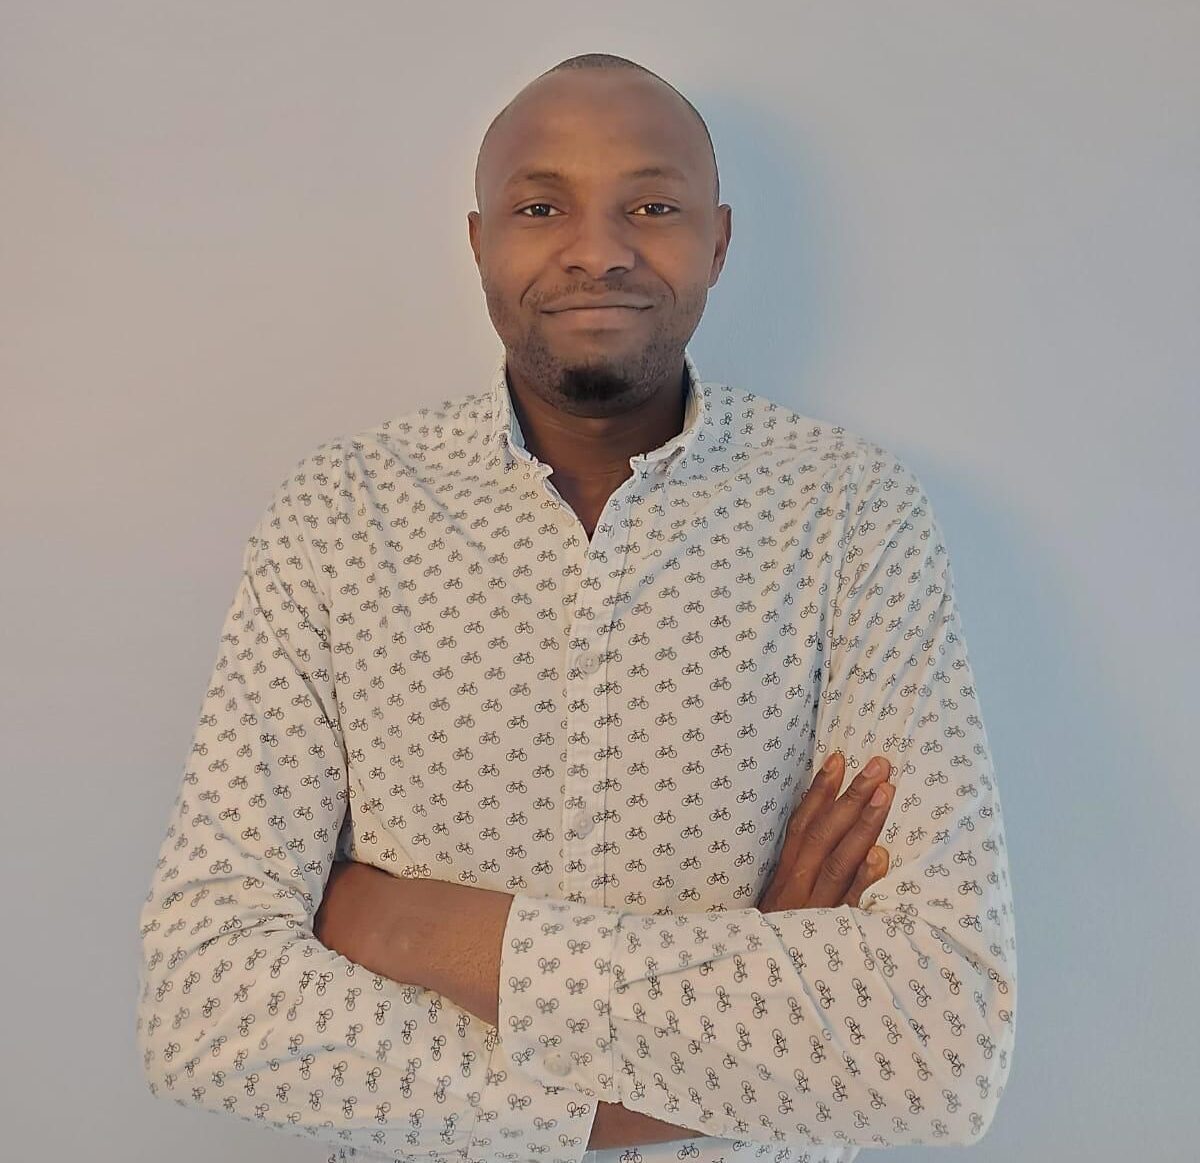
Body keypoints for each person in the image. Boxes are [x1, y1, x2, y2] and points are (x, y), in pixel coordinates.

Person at [135, 52, 1017, 1163]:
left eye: (652, 206)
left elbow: (943, 1046)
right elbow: (201, 1001)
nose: (597, 250)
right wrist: (744, 1031)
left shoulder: (851, 513)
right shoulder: (339, 515)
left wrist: (415, 925)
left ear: (719, 241)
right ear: (479, 242)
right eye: (541, 207)